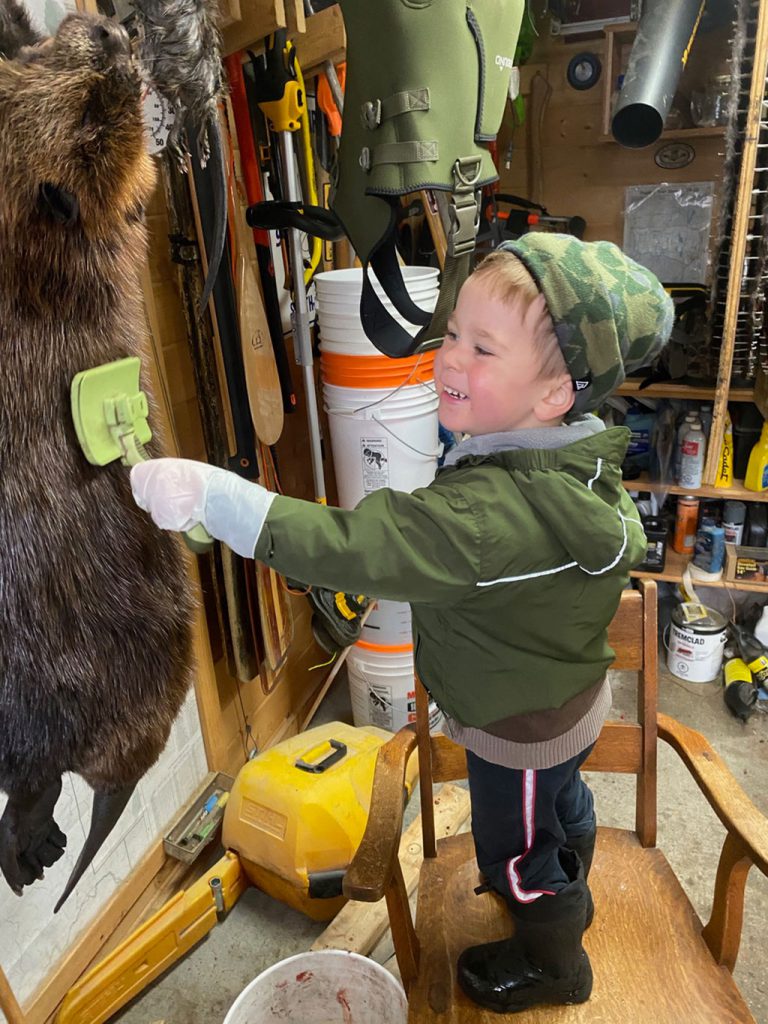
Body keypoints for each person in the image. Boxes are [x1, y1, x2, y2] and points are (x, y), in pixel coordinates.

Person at [131, 234, 673, 1013]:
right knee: (560, 802)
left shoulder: (486, 517)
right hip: (569, 701)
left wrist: (215, 497)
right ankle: (569, 854)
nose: (449, 357)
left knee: (513, 846)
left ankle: (556, 952)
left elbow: (357, 549)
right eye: (453, 331)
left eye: (482, 347)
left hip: (515, 729)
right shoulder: (575, 455)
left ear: (555, 393)